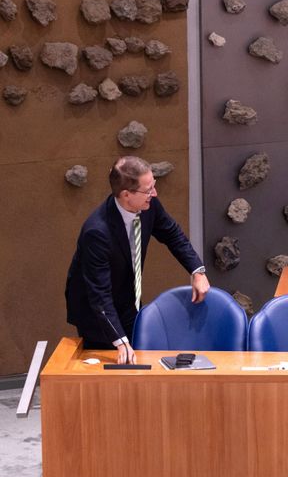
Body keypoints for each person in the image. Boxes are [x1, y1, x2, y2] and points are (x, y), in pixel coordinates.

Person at [65, 156, 209, 364]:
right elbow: (99, 294)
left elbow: (172, 234)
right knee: (115, 360)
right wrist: (119, 340)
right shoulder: (96, 232)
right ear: (126, 194)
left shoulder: (147, 205)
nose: (155, 193)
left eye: (154, 186)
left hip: (127, 297)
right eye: (148, 189)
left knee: (136, 357)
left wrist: (197, 270)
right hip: (96, 310)